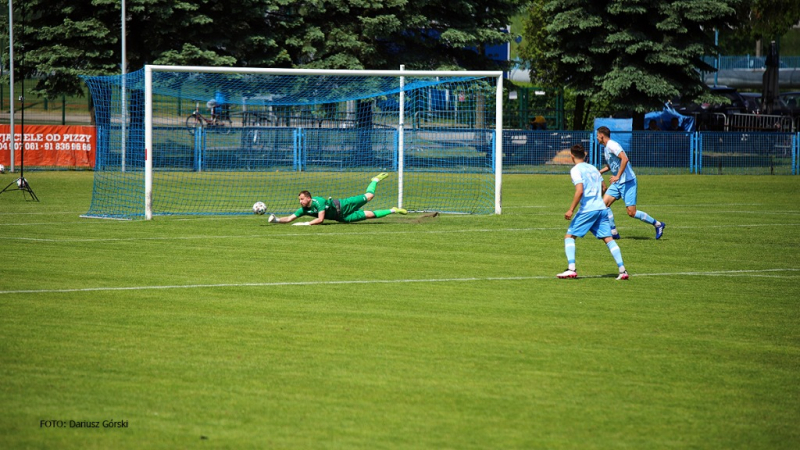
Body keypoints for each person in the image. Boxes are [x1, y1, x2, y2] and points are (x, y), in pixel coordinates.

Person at [557, 144, 628, 280]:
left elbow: (580, 190)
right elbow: (604, 187)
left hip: (588, 209)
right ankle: (622, 270)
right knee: (608, 239)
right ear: (584, 155)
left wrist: (571, 209)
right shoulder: (594, 168)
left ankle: (571, 269)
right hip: (601, 208)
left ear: (572, 155)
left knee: (569, 236)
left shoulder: (576, 170)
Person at [596, 126, 666, 240]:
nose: (597, 138)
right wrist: (599, 172)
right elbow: (612, 164)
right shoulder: (606, 148)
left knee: (631, 213)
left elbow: (624, 159)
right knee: (604, 205)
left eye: (597, 135)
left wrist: (617, 176)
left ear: (602, 135)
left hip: (627, 181)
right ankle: (613, 232)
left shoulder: (612, 145)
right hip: (618, 182)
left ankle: (658, 224)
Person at [267, 172, 407, 225]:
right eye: (299, 200)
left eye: (302, 199)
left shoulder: (318, 201)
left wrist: (306, 224)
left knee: (370, 196)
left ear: (309, 198)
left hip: (344, 205)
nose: (300, 202)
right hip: (342, 218)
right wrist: (277, 220)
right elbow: (290, 218)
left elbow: (320, 220)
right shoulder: (304, 209)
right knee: (370, 215)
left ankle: (375, 179)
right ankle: (394, 210)